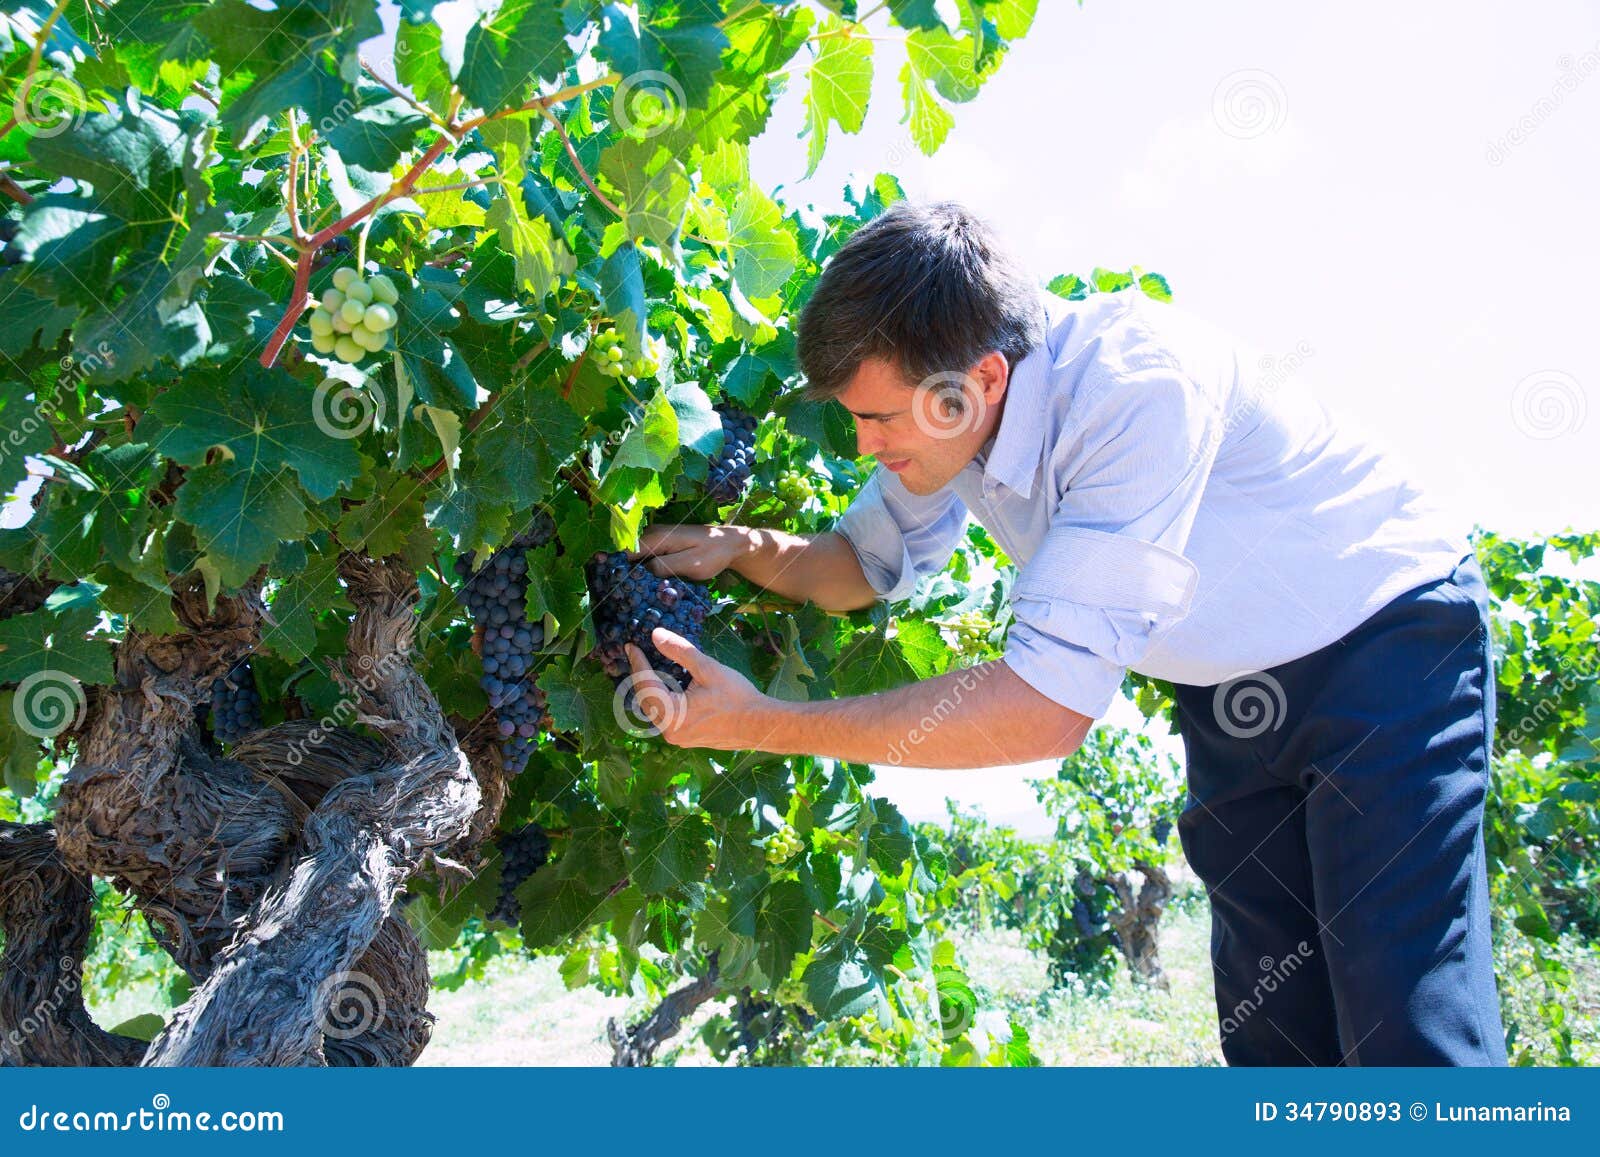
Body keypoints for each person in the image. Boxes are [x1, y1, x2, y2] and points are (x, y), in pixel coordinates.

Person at [621, 200, 1507, 1067]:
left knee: (1404, 1030)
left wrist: (762, 722)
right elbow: (860, 561)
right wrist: (738, 546)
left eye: (879, 419)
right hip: (1230, 691)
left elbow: (1044, 712)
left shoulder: (1136, 390)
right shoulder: (954, 411)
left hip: (1386, 642)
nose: (862, 445)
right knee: (1275, 1036)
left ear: (982, 382)